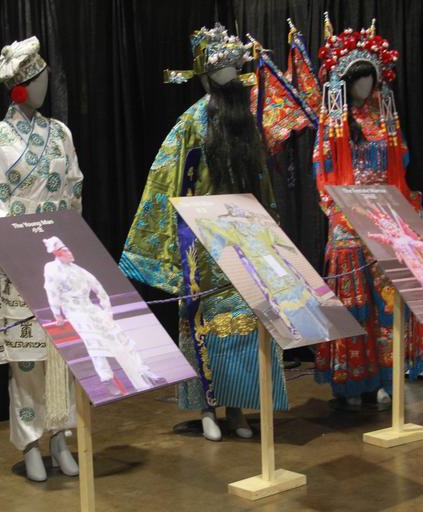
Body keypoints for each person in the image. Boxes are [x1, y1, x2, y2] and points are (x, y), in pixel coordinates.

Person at [121, 24, 290, 441]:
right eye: (222, 72)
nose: (231, 79)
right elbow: (166, 182)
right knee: (203, 326)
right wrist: (170, 242)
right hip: (201, 243)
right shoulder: (191, 123)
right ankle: (207, 408)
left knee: (246, 325)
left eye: (234, 71)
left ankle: (238, 407)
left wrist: (270, 232)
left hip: (243, 238)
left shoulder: (246, 124)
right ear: (206, 77)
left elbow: (263, 183)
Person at [0, 36, 82, 482]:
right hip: (20, 261)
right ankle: (31, 440)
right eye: (37, 80)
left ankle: (61, 435)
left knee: (64, 356)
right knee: (27, 361)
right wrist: (18, 249)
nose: (43, 88)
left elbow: (73, 191)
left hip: (59, 258)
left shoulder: (61, 133)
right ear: (19, 86)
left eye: (44, 79)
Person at [313, 16, 423, 409]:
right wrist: (341, 211)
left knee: (386, 301)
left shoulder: (384, 114)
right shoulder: (334, 119)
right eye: (359, 79)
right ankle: (350, 381)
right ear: (345, 83)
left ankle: (383, 377)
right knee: (352, 300)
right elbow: (324, 169)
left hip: (383, 215)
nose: (366, 87)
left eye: (371, 78)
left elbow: (401, 160)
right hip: (347, 216)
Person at [42, 236, 165, 397]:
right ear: (58, 254)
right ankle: (107, 379)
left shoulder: (78, 269)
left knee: (121, 338)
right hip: (75, 312)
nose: (70, 253)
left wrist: (107, 311)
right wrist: (57, 314)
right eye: (65, 251)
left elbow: (98, 288)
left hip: (91, 309)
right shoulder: (51, 268)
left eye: (68, 249)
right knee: (95, 344)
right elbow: (52, 291)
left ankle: (144, 372)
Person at [196, 203, 331, 342]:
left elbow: (276, 238)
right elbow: (208, 226)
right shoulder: (237, 228)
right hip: (264, 266)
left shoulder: (252, 226)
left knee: (294, 290)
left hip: (274, 263)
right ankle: (309, 329)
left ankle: (317, 327)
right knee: (285, 294)